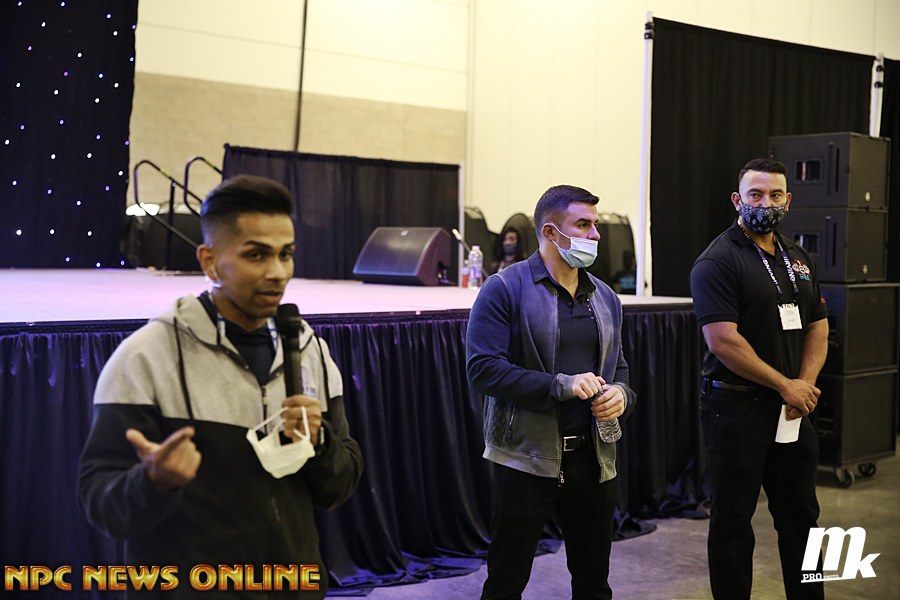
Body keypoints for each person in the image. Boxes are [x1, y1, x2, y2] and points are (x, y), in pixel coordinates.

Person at [78, 175, 363, 599]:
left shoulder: (310, 351)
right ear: (210, 262)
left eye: (286, 254)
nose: (277, 272)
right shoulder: (146, 358)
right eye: (256, 255)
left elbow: (339, 486)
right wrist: (152, 481)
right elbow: (101, 503)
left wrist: (319, 444)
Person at [466, 184, 636, 600]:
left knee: (594, 583)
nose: (595, 235)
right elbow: (483, 370)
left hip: (593, 459)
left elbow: (620, 369)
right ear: (550, 231)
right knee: (506, 582)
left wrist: (622, 395)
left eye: (595, 224)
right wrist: (562, 384)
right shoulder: (504, 288)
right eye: (584, 225)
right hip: (525, 458)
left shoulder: (605, 296)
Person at [690, 158, 828, 600]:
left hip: (792, 410)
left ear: (788, 200)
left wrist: (802, 385)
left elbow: (818, 326)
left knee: (803, 519)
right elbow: (723, 342)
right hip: (736, 410)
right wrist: (785, 385)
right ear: (738, 200)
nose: (764, 203)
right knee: (733, 524)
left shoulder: (798, 258)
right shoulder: (717, 261)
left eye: (774, 195)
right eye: (755, 194)